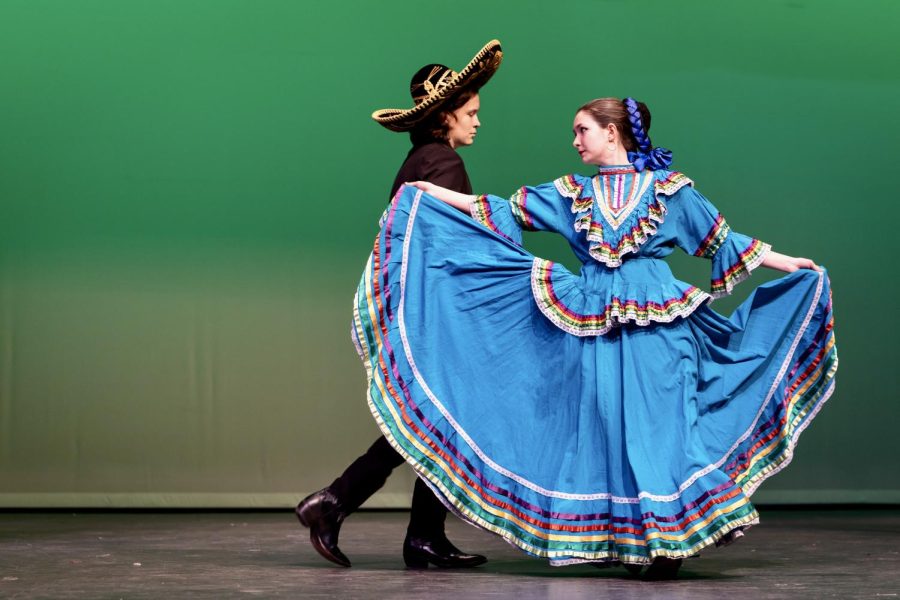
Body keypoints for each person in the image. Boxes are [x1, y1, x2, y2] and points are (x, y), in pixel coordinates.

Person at [354, 96, 838, 579]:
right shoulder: (572, 194)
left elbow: (722, 240)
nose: (575, 140)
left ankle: (665, 543)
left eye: (582, 129)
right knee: (605, 428)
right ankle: (624, 541)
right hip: (594, 318)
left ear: (613, 132)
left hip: (658, 324)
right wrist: (429, 194)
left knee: (659, 426)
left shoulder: (672, 191)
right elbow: (498, 209)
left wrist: (786, 261)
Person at [296, 40, 503, 570]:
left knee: (430, 423)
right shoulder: (445, 164)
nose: (478, 122)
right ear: (446, 115)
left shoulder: (418, 161)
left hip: (421, 312)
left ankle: (414, 534)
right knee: (431, 422)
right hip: (439, 316)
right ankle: (338, 503)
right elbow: (450, 253)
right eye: (472, 113)